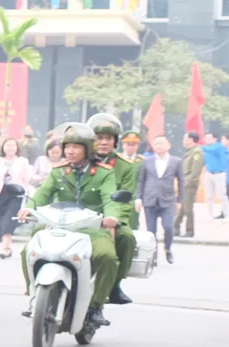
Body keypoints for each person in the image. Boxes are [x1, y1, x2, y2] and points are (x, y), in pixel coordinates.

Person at [22, 122, 123, 328]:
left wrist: (111, 216)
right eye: (67, 147)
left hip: (91, 228)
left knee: (108, 257)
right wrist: (28, 208)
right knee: (28, 250)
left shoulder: (104, 173)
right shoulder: (59, 171)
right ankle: (34, 294)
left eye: (75, 147)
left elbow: (110, 198)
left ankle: (96, 306)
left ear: (88, 149)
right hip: (60, 225)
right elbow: (43, 193)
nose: (69, 151)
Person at [87, 113, 137, 305]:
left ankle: (114, 283)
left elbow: (126, 200)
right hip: (82, 216)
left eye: (108, 138)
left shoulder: (125, 167)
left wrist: (116, 221)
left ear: (115, 142)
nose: (103, 142)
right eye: (99, 138)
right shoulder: (82, 160)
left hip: (111, 217)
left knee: (126, 238)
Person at [0, 136, 36, 258]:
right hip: (1, 193)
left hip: (16, 193)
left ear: (17, 147)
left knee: (9, 218)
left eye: (13, 145)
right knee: (2, 218)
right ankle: (7, 246)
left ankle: (5, 248)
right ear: (3, 147)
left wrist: (30, 193)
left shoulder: (22, 161)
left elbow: (26, 179)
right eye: (8, 145)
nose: (10, 148)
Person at [137, 133, 182, 264]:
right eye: (156, 143)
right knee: (151, 230)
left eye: (161, 143)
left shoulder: (176, 162)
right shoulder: (147, 161)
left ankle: (168, 248)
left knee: (168, 226)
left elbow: (181, 181)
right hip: (150, 199)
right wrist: (138, 198)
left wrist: (179, 200)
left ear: (168, 145)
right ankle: (153, 254)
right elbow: (141, 180)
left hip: (168, 200)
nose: (158, 146)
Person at [177, 131, 205, 237]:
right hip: (185, 182)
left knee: (188, 208)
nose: (183, 140)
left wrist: (187, 183)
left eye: (185, 138)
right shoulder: (190, 151)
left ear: (190, 139)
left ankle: (189, 230)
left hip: (189, 183)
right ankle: (175, 226)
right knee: (183, 207)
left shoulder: (197, 152)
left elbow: (195, 171)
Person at [201, 132, 228, 216]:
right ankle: (210, 214)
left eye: (209, 138)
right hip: (209, 173)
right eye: (206, 138)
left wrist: (197, 147)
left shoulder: (219, 146)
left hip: (219, 174)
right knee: (209, 196)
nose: (207, 140)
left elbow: (211, 150)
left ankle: (227, 214)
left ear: (215, 139)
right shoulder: (206, 149)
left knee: (222, 195)